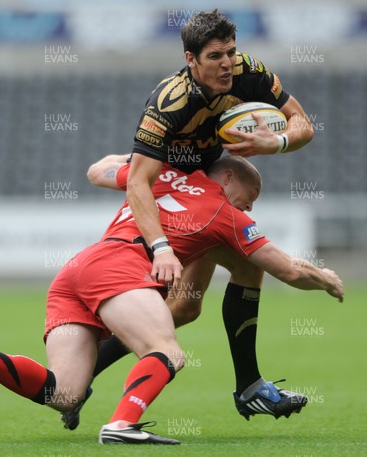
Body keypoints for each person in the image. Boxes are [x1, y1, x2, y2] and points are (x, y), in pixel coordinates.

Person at [0, 156, 343, 446]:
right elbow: (286, 269)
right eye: (249, 198)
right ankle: (121, 424)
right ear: (227, 178)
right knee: (167, 352)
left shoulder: (158, 175)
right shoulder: (223, 213)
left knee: (63, 394)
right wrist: (324, 277)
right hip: (119, 267)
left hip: (76, 270)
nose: (250, 208)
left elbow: (98, 170)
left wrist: (138, 157)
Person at [87, 9, 316, 424]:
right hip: (172, 193)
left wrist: (276, 141)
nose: (227, 63)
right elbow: (138, 182)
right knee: (201, 292)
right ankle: (247, 387)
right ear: (191, 59)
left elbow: (304, 124)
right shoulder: (168, 100)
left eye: (231, 52)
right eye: (215, 56)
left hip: (206, 188)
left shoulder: (252, 74)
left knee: (186, 308)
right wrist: (159, 246)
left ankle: (248, 388)